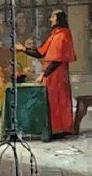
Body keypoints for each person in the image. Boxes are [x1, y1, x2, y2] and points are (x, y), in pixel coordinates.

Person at [33, 8, 78, 138]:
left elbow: (57, 60)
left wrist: (44, 74)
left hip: (58, 74)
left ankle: (61, 129)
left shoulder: (62, 35)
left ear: (58, 19)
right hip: (53, 74)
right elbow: (40, 52)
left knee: (59, 100)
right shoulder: (55, 34)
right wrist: (23, 49)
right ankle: (55, 128)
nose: (50, 19)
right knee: (53, 101)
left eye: (52, 17)